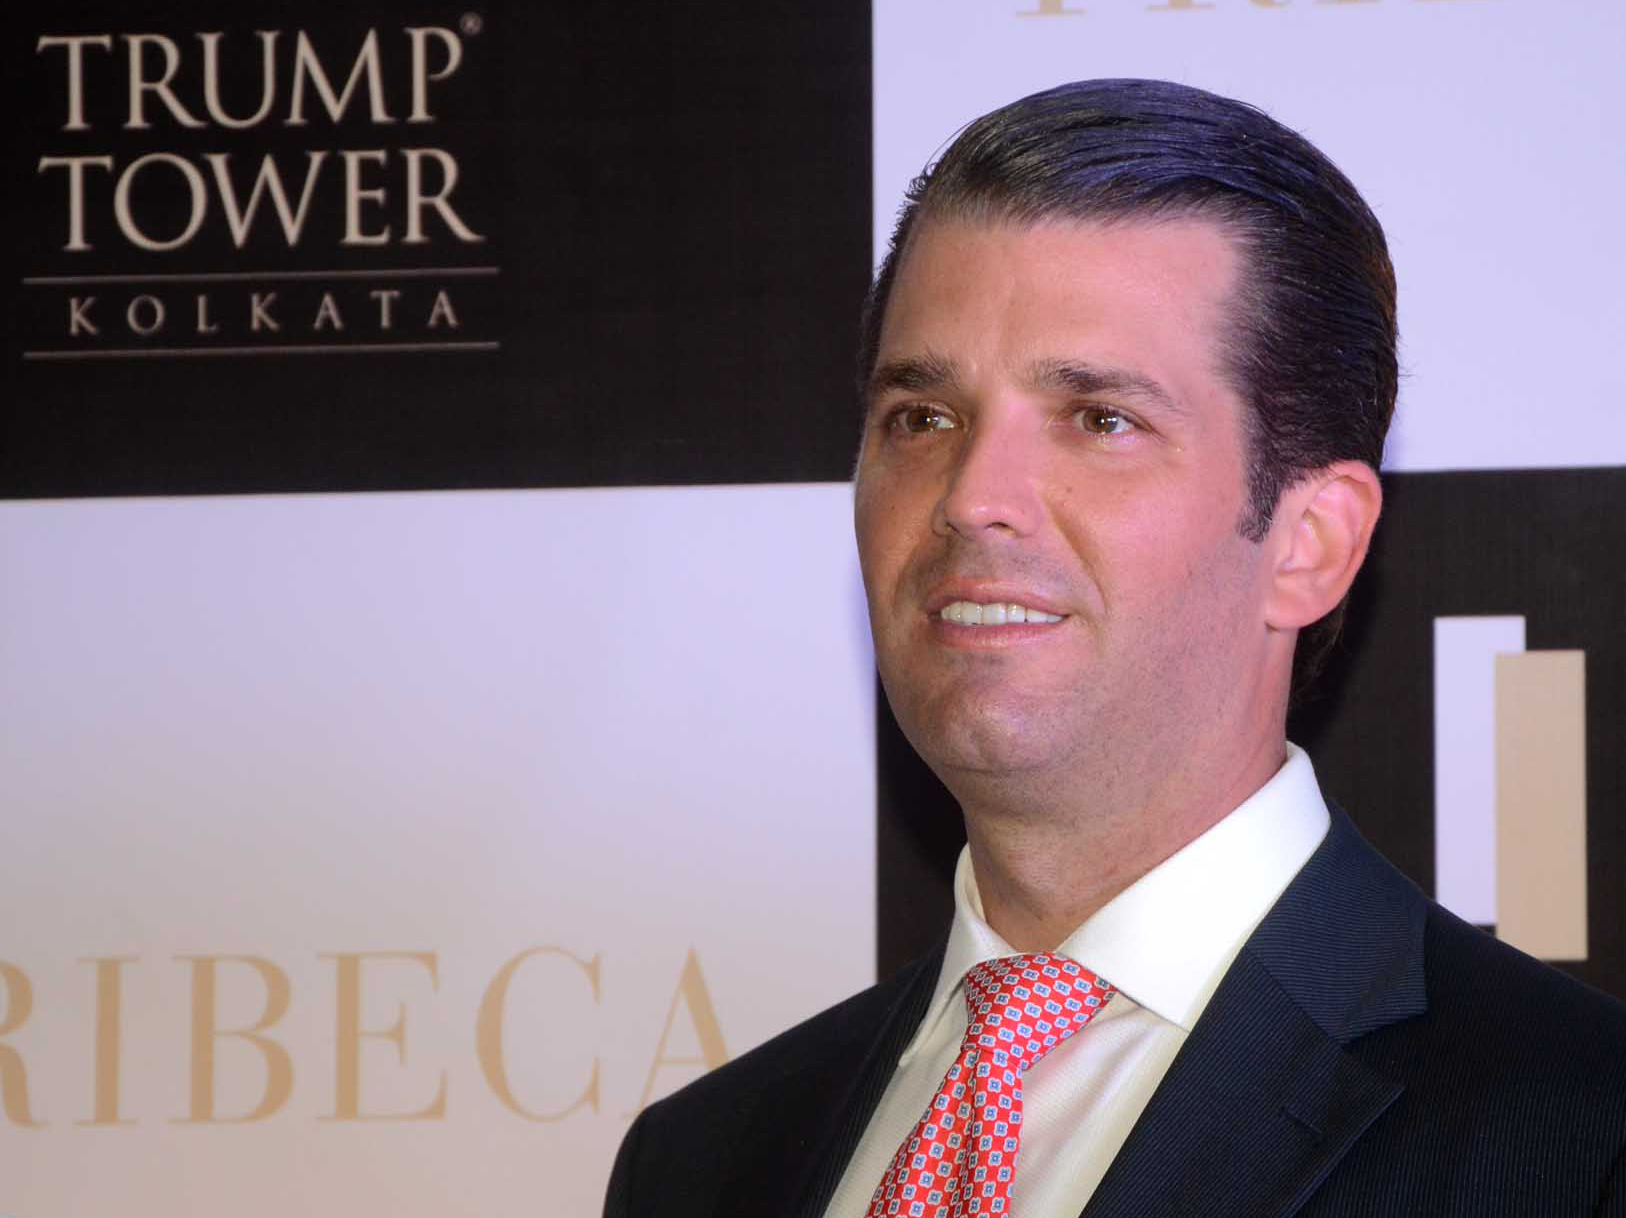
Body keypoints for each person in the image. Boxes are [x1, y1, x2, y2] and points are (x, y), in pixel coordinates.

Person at [603, 78, 1626, 1217]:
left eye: (1101, 420)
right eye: (922, 418)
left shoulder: (1580, 1138)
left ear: (1310, 543)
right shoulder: (703, 1164)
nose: (972, 499)